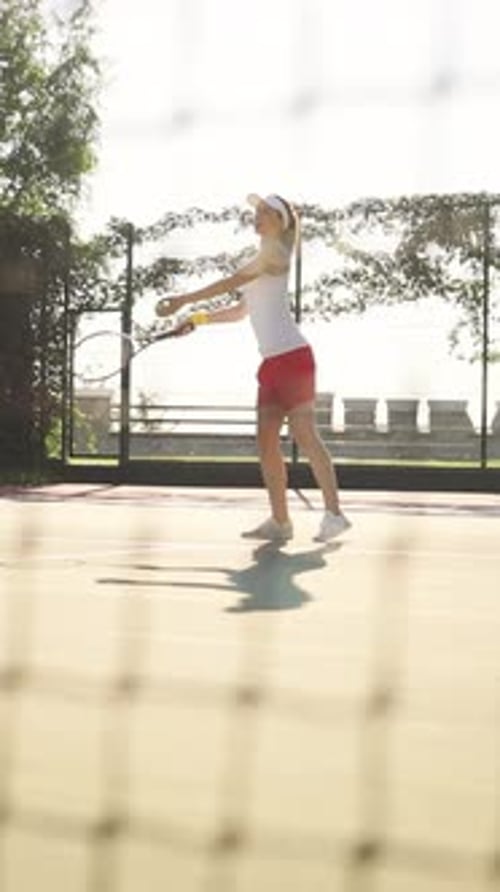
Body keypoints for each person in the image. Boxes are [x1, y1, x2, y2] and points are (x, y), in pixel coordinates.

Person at [156, 193, 351, 543]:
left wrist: (184, 300)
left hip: (294, 358)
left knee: (305, 436)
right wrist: (197, 319)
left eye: (265, 211)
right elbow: (240, 311)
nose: (257, 216)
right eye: (256, 211)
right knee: (265, 443)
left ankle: (334, 515)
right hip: (272, 364)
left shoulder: (275, 254)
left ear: (280, 221)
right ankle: (280, 522)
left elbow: (228, 283)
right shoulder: (260, 260)